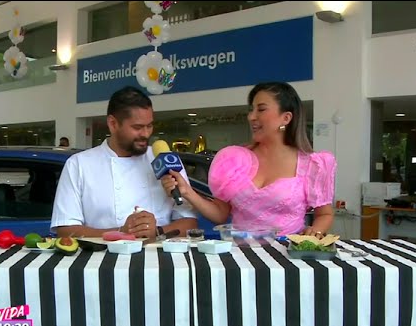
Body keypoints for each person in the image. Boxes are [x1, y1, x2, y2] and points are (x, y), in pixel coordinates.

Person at [160, 81, 337, 237]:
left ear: (286, 117)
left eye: (261, 109)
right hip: (240, 258)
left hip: (286, 260)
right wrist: (187, 192)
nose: (251, 116)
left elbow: (324, 214)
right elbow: (220, 214)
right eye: (251, 110)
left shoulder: (313, 165)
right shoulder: (234, 160)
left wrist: (316, 232)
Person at [51, 86, 198, 239]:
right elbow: (66, 230)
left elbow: (189, 223)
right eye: (137, 127)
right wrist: (121, 232)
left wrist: (157, 231)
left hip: (159, 259)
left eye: (149, 126)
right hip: (101, 259)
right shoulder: (79, 165)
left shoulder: (165, 160)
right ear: (113, 124)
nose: (146, 134)